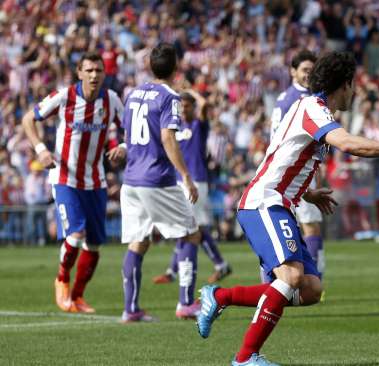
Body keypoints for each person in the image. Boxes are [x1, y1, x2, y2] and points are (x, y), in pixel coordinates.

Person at [196, 51, 379, 366]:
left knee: (309, 289)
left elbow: (284, 155)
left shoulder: (311, 109)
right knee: (292, 276)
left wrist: (307, 194)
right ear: (345, 84)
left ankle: (219, 297)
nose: (355, 92)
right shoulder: (314, 108)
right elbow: (349, 144)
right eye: (354, 85)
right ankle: (245, 357)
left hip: (279, 201)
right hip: (264, 202)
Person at [22, 52, 125, 313]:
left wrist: (122, 146)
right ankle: (61, 279)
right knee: (76, 234)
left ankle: (77, 297)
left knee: (94, 244)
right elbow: (28, 119)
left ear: (104, 74)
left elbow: (129, 129)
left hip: (96, 181)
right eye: (88, 70)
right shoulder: (64, 96)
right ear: (79, 73)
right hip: (65, 178)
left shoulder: (111, 100)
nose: (94, 75)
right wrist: (40, 149)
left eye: (98, 71)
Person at [119, 43, 203, 322]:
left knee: (138, 241)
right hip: (156, 178)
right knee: (191, 233)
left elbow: (131, 134)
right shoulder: (170, 97)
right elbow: (168, 138)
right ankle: (186, 303)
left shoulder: (133, 94)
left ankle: (130, 309)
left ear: (150, 66)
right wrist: (186, 176)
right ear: (176, 67)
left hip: (130, 179)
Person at [152, 89, 232, 285]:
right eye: (181, 106)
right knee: (188, 226)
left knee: (189, 226)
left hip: (196, 181)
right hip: (180, 181)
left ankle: (217, 265)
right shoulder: (175, 128)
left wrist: (191, 93)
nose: (184, 109)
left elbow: (205, 105)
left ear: (193, 108)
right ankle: (215, 266)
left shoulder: (199, 124)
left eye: (187, 106)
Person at [263, 49, 326, 284]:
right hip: (294, 170)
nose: (309, 75)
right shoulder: (299, 99)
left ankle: (274, 280)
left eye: (312, 70)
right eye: (304, 70)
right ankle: (314, 279)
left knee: (293, 229)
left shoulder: (286, 97)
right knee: (311, 227)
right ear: (293, 72)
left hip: (288, 170)